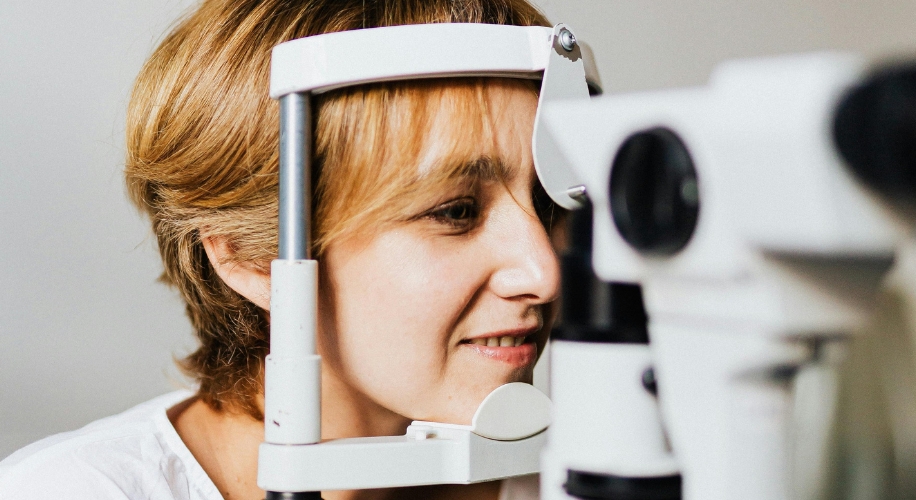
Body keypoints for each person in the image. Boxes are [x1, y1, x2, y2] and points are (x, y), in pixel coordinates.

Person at [0, 0, 563, 499]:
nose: (544, 271)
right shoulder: (75, 490)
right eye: (455, 212)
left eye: (549, 201)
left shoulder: (594, 475)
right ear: (247, 254)